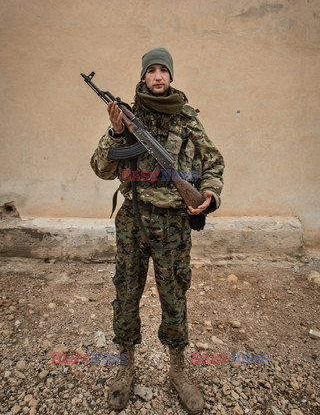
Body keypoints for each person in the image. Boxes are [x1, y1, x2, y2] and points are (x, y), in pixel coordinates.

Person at [90, 47, 224, 414]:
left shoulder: (187, 118)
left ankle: (179, 372)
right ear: (144, 76)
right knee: (126, 293)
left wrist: (209, 193)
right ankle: (124, 369)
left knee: (174, 296)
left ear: (171, 76)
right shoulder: (127, 118)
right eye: (153, 70)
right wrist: (117, 134)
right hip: (132, 220)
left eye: (164, 70)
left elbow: (213, 162)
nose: (159, 77)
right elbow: (101, 168)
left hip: (173, 226)